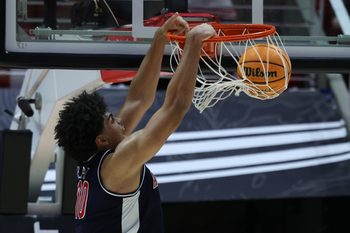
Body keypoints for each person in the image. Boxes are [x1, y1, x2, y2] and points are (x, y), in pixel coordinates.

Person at [54, 13, 216, 233]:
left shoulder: (101, 160)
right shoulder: (117, 165)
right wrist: (194, 44)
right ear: (101, 139)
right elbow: (174, 108)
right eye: (111, 120)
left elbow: (138, 99)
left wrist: (160, 38)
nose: (118, 119)